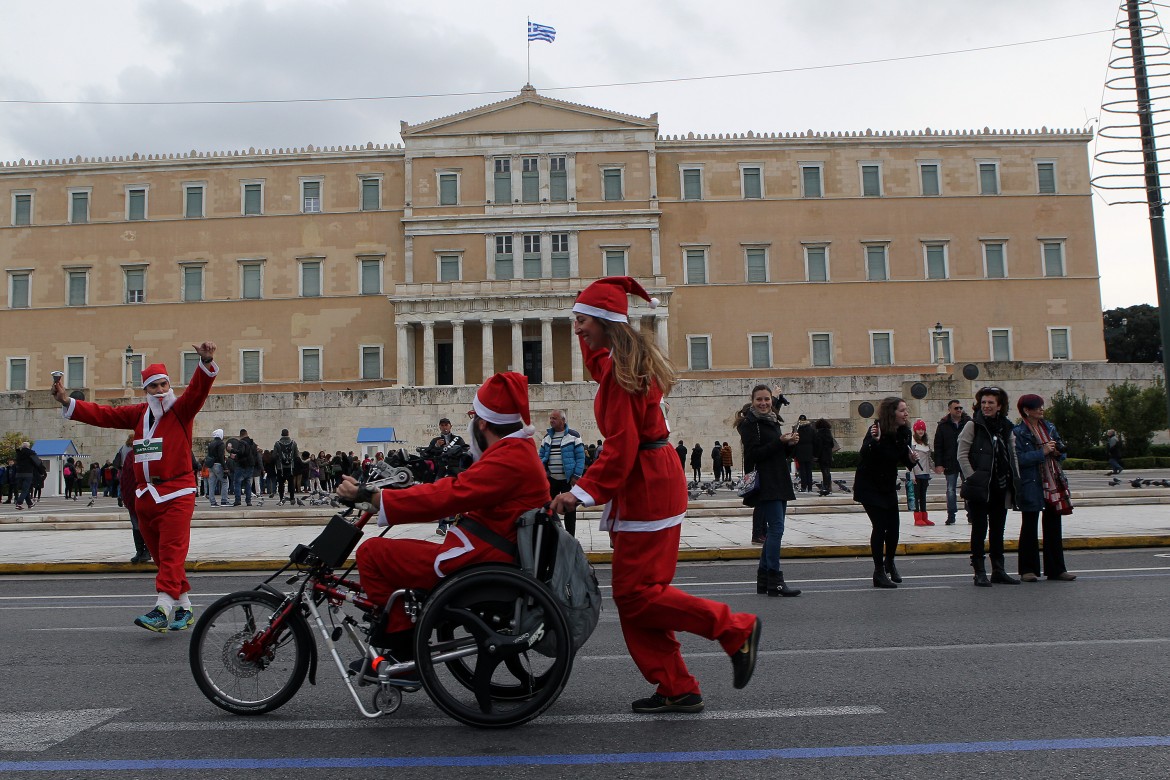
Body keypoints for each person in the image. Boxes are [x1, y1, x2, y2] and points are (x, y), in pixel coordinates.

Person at [549, 276, 760, 715]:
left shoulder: (620, 375)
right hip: (648, 480)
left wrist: (581, 492)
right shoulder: (618, 365)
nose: (576, 328)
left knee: (637, 594)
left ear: (605, 322)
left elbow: (621, 445)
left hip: (646, 481)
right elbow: (599, 365)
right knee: (639, 594)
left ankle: (733, 628)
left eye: (583, 320)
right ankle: (676, 685)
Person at [339, 372, 549, 664]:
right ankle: (406, 625)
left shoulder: (510, 457)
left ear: (484, 422)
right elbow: (455, 491)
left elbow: (451, 495)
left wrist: (376, 498)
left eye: (473, 416)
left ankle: (402, 647)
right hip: (483, 550)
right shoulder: (516, 451)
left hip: (477, 558)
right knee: (397, 553)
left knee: (371, 553)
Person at [53, 343, 218, 631]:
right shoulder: (138, 414)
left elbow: (197, 391)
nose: (160, 390)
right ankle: (186, 608)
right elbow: (103, 414)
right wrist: (68, 403)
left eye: (164, 384)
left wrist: (205, 362)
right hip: (147, 495)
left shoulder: (181, 411)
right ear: (146, 390)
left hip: (177, 491)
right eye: (153, 386)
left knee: (171, 551)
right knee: (160, 556)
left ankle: (162, 608)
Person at [736, 384, 801, 597]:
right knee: (776, 530)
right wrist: (779, 442)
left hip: (779, 478)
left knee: (775, 529)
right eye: (759, 400)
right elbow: (754, 455)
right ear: (752, 401)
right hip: (766, 482)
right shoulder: (749, 424)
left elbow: (778, 452)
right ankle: (775, 579)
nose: (763, 403)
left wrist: (790, 443)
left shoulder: (772, 420)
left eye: (767, 399)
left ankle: (764, 580)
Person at [957, 386, 1021, 588]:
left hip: (1000, 485)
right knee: (979, 529)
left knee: (997, 529)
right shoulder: (973, 425)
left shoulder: (1006, 427)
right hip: (980, 487)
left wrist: (1015, 477)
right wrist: (972, 477)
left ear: (999, 406)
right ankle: (979, 571)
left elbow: (1013, 454)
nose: (986, 406)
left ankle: (999, 570)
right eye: (983, 402)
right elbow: (962, 454)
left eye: (991, 403)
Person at [853, 397, 917, 589]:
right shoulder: (877, 429)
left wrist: (912, 459)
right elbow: (864, 453)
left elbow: (904, 460)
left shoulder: (904, 432)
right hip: (869, 485)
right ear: (892, 413)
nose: (906, 414)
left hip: (887, 484)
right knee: (880, 526)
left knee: (894, 527)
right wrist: (875, 441)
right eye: (902, 410)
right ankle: (878, 571)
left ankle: (890, 562)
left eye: (906, 410)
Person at [1014, 394, 1076, 582]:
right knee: (1030, 526)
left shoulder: (1049, 427)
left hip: (1053, 480)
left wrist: (1057, 452)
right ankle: (1028, 569)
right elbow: (1018, 460)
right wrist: (1042, 452)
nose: (1041, 409)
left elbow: (1060, 452)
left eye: (1041, 406)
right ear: (1026, 410)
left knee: (1054, 525)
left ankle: (1056, 569)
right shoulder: (1019, 432)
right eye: (1037, 407)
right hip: (1032, 482)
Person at [538, 409, 585, 536]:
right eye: (551, 418)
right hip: (552, 479)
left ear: (563, 421)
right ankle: (554, 534)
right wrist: (544, 471)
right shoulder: (547, 437)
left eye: (554, 418)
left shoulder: (574, 436)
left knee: (570, 509)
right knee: (550, 507)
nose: (551, 421)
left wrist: (576, 476)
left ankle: (570, 537)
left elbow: (580, 457)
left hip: (567, 479)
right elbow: (541, 456)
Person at [932, 399, 971, 525]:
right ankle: (951, 515)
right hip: (950, 461)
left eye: (960, 408)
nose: (959, 410)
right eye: (956, 408)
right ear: (949, 410)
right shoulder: (943, 425)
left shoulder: (968, 423)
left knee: (969, 487)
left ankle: (971, 513)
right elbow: (938, 446)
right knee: (950, 489)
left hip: (966, 461)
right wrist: (939, 463)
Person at [118, 433, 150, 564]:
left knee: (146, 524)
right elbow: (125, 477)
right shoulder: (130, 456)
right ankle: (139, 551)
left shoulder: (148, 456)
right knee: (136, 525)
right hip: (132, 496)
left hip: (145, 495)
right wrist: (123, 495)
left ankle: (147, 551)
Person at [910, 420, 936, 526]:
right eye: (918, 429)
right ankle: (917, 517)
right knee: (917, 497)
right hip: (916, 474)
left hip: (925, 473)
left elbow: (929, 460)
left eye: (922, 429)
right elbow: (909, 462)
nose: (921, 431)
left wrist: (936, 468)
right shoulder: (912, 444)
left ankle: (924, 517)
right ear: (915, 430)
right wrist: (912, 476)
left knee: (923, 496)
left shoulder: (926, 444)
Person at [274, 429, 301, 505]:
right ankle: (292, 498)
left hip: (281, 467)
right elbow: (296, 456)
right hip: (290, 467)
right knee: (291, 483)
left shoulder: (277, 444)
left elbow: (274, 455)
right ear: (288, 434)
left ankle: (281, 499)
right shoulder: (293, 443)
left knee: (281, 484)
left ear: (281, 434)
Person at [12, 441, 43, 510]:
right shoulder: (31, 453)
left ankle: (30, 504)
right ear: (28, 447)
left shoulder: (18, 453)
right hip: (28, 473)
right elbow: (37, 463)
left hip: (18, 474)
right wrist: (41, 472)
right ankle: (19, 503)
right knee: (25, 489)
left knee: (25, 489)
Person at [230, 429, 257, 506]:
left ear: (240, 435)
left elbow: (241, 452)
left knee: (237, 482)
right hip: (250, 465)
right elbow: (255, 455)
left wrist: (232, 450)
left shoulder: (241, 442)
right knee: (248, 483)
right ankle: (248, 501)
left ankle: (238, 500)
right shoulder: (253, 443)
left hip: (241, 465)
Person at [814, 418, 837, 496]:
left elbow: (818, 446)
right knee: (827, 471)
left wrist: (816, 456)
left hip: (822, 455)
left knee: (824, 471)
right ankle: (828, 486)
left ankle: (826, 487)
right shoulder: (829, 433)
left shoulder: (819, 434)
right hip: (828, 454)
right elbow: (832, 445)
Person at [793, 415, 817, 493]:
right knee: (809, 470)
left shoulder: (797, 430)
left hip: (800, 451)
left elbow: (794, 442)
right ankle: (810, 487)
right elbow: (815, 441)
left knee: (802, 470)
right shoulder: (812, 430)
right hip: (809, 451)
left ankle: (803, 487)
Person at [205, 429, 228, 506]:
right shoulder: (220, 443)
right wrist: (225, 467)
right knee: (225, 482)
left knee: (212, 484)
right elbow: (221, 456)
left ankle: (212, 502)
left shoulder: (211, 443)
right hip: (218, 465)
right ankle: (224, 500)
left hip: (211, 465)